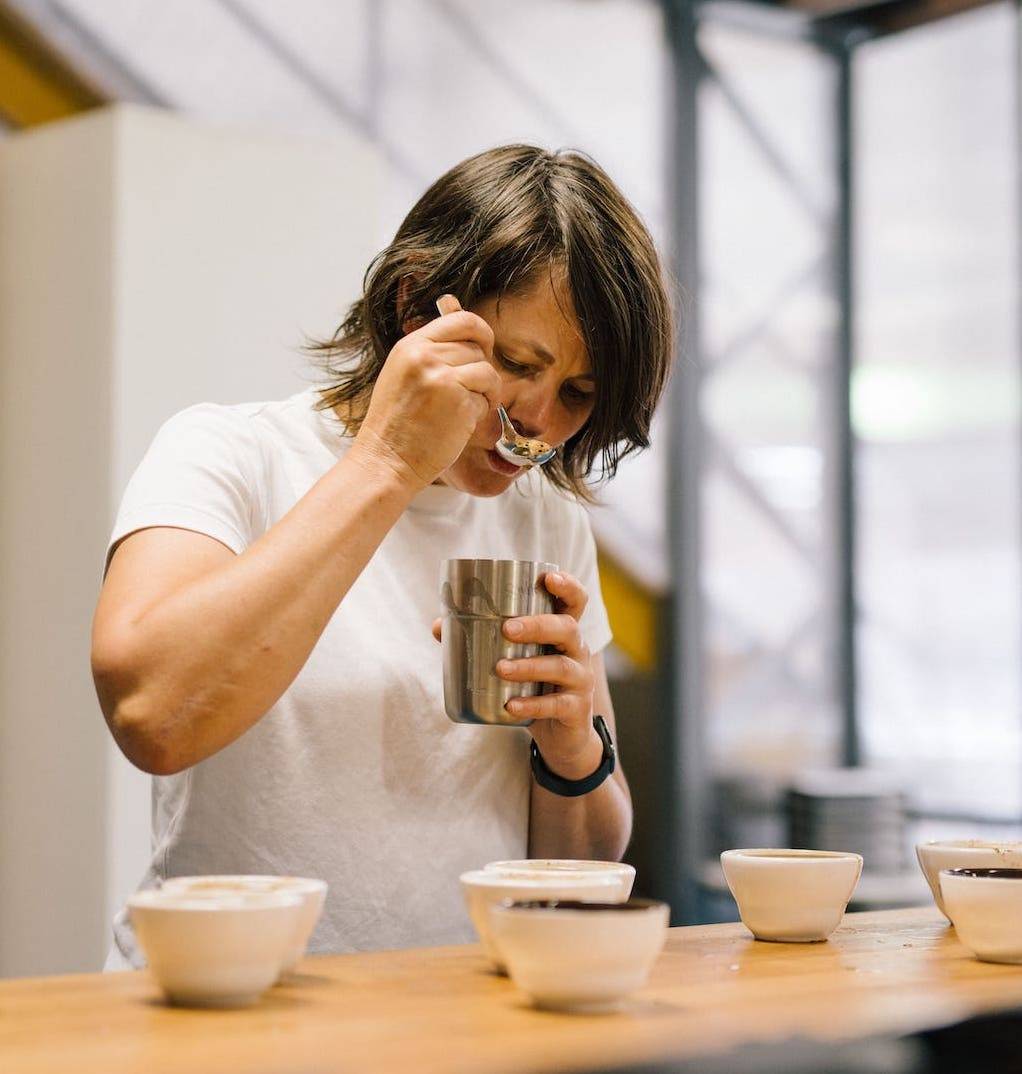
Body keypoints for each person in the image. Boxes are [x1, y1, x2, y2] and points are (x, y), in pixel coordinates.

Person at [91, 144, 673, 968]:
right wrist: (387, 464)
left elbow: (580, 872)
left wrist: (576, 747)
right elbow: (152, 714)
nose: (538, 422)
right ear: (413, 309)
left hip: (455, 1017)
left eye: (578, 395)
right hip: (224, 1005)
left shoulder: (543, 520)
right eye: (515, 364)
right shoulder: (229, 452)